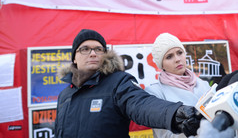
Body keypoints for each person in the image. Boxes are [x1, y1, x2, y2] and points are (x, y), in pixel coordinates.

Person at [54, 29, 201, 138]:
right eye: (85, 49)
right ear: (74, 57)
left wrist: (174, 114)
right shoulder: (64, 95)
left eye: (99, 49)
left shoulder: (118, 82)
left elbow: (142, 104)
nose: (93, 53)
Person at [145, 32, 211, 138]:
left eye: (180, 52)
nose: (177, 59)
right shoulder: (155, 92)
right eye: (169, 56)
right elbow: (164, 135)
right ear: (161, 64)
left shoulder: (204, 85)